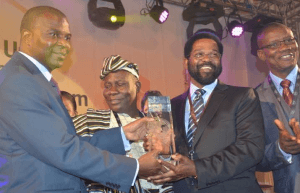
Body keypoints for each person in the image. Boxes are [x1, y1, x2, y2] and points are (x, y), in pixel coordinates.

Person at [0, 6, 161, 193]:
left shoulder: (36, 80)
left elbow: (66, 143)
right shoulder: (20, 81)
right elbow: (63, 151)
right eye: (53, 35)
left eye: (67, 37)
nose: (64, 44)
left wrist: (123, 135)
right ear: (27, 38)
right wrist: (135, 168)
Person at [147, 29, 265, 193]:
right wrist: (163, 153)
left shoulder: (243, 96)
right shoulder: (169, 106)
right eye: (199, 54)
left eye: (214, 54)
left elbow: (250, 148)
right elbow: (166, 153)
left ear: (220, 60)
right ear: (186, 62)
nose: (207, 59)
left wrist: (196, 169)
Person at [74, 55, 173, 193]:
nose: (112, 91)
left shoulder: (156, 125)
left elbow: (171, 175)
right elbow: (71, 156)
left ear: (137, 86)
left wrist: (166, 154)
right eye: (107, 86)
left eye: (120, 84)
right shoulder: (89, 121)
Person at [255, 22, 300, 193]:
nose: (285, 48)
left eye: (289, 40)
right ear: (261, 54)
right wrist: (281, 149)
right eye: (274, 44)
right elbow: (255, 158)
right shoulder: (253, 99)